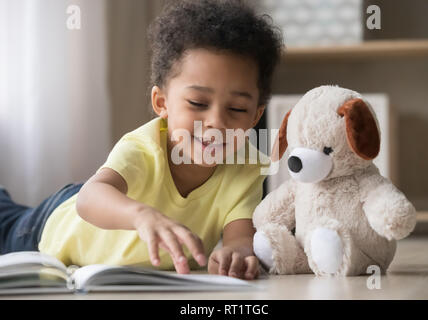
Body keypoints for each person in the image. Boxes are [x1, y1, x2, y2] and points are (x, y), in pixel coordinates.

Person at [0, 0, 284, 280]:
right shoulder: (144, 146)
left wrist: (236, 252)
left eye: (237, 109)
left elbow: (240, 235)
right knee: (7, 226)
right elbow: (88, 198)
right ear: (162, 103)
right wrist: (141, 216)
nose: (216, 122)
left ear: (256, 115)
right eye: (198, 102)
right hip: (51, 229)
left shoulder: (248, 165)